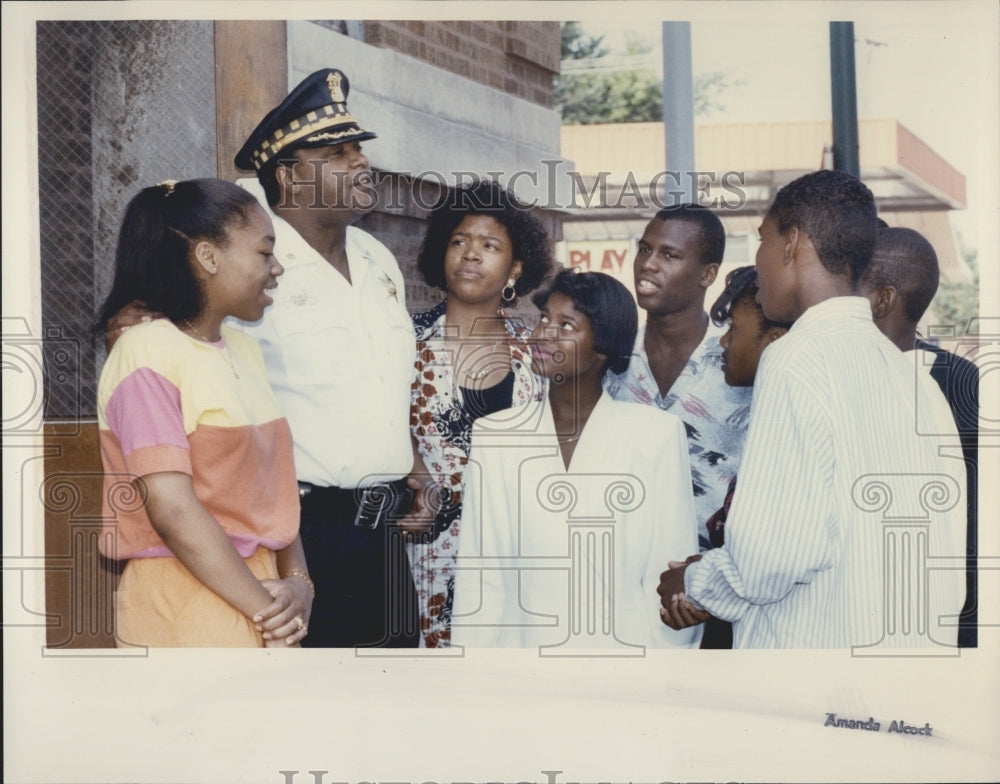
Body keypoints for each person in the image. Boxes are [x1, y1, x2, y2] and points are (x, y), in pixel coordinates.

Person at [108, 69, 427, 647]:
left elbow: (383, 382)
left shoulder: (378, 257)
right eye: (338, 152)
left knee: (395, 707)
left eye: (359, 149)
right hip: (294, 531)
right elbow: (172, 333)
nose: (361, 163)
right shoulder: (242, 265)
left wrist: (414, 463)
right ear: (290, 175)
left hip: (382, 525)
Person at [658, 169, 966, 649]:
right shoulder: (911, 376)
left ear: (791, 242)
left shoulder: (797, 359)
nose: (756, 263)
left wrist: (692, 583)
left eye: (761, 240)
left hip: (815, 681)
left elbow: (768, 561)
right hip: (909, 671)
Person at [95, 178, 312, 647]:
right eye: (263, 252)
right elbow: (173, 510)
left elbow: (276, 496)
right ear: (209, 257)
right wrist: (268, 612)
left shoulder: (244, 350)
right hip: (188, 600)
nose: (276, 269)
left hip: (260, 597)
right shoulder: (146, 351)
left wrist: (299, 586)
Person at [452, 269, 701, 649]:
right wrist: (475, 676)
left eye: (566, 325)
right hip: (522, 668)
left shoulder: (656, 437)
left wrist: (659, 684)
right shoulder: (496, 435)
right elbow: (481, 578)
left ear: (602, 347)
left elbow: (666, 575)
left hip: (623, 667)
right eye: (545, 319)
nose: (543, 334)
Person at [406, 179, 554, 648]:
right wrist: (413, 466)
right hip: (427, 557)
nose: (471, 254)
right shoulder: (403, 340)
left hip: (514, 553)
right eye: (459, 241)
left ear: (514, 269)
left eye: (489, 246)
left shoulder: (535, 353)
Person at [858, 225, 979, 648]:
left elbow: (975, 521)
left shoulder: (957, 380)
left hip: (943, 622)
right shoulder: (836, 372)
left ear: (882, 298)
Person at [605, 204, 752, 551]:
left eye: (669, 255)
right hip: (621, 573)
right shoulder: (612, 357)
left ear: (708, 274)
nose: (648, 264)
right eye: (644, 249)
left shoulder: (740, 361)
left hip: (714, 583)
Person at [699, 266, 791, 648]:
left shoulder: (786, 423)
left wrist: (694, 580)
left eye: (734, 330)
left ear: (775, 340)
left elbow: (766, 561)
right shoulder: (770, 410)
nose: (722, 343)